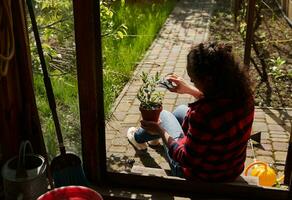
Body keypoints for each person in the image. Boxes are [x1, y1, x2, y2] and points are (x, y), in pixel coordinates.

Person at [127, 42, 255, 182]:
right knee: (181, 110)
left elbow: (185, 159)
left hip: (198, 176)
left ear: (208, 80)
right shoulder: (245, 96)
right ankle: (150, 138)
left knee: (164, 115)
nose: (192, 82)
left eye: (193, 80)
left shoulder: (202, 114)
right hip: (231, 170)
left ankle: (139, 138)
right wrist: (189, 90)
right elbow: (218, 103)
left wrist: (160, 130)